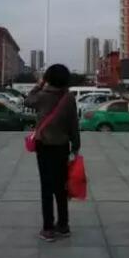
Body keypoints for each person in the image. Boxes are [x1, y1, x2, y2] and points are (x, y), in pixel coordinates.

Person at [24, 64, 80, 243]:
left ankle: (48, 228)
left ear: (48, 78)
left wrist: (39, 84)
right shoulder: (69, 98)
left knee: (46, 187)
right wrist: (76, 146)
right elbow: (74, 124)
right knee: (61, 187)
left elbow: (27, 101)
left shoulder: (42, 96)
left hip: (44, 146)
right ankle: (63, 225)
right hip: (62, 147)